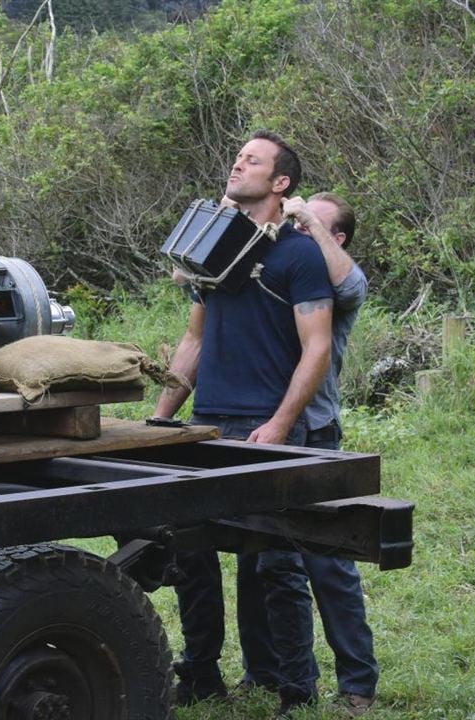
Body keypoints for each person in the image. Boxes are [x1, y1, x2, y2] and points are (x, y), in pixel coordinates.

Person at [151, 130, 333, 715]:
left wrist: (281, 423)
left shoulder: (299, 254)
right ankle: (201, 673)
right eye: (237, 157)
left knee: (277, 562)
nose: (237, 164)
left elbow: (317, 348)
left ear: (281, 184)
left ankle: (295, 691)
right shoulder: (216, 250)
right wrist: (160, 417)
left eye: (251, 160)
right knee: (190, 553)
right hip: (208, 420)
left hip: (265, 422)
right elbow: (194, 340)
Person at [243, 192, 378, 717]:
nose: (296, 228)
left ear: (335, 236)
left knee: (327, 560)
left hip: (314, 428)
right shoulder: (284, 269)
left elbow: (355, 283)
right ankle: (265, 670)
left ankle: (357, 682)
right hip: (263, 426)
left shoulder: (335, 282)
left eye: (311, 223)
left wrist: (304, 220)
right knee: (260, 557)